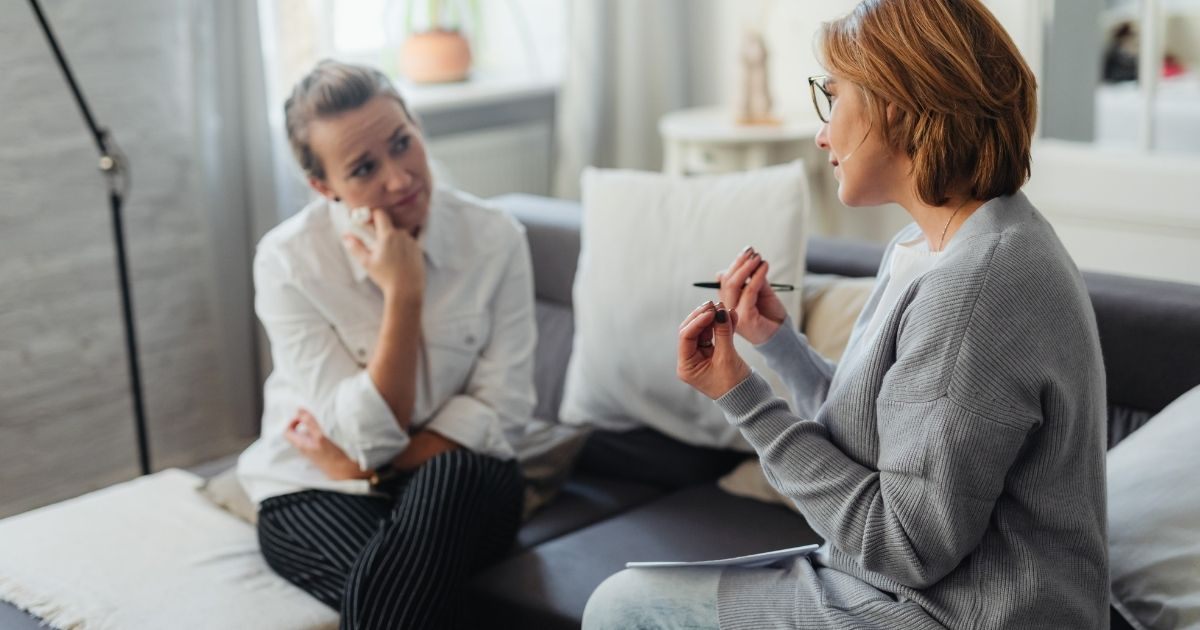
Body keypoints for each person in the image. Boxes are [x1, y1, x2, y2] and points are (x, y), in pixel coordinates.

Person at [583, 0, 1108, 628]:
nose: (821, 131)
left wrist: (741, 397)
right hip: (908, 596)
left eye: (832, 97)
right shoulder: (937, 246)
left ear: (899, 102)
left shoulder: (973, 289)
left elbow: (905, 547)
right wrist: (779, 344)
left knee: (622, 608)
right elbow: (887, 435)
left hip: (947, 614)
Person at [236, 60, 536, 629]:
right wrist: (404, 295)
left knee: (453, 478)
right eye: (365, 168)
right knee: (407, 595)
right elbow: (366, 434)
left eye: (403, 143)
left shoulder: (496, 239)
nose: (400, 179)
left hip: (465, 484)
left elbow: (506, 412)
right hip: (316, 486)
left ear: (417, 125)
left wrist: (369, 466)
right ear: (324, 188)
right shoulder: (288, 263)